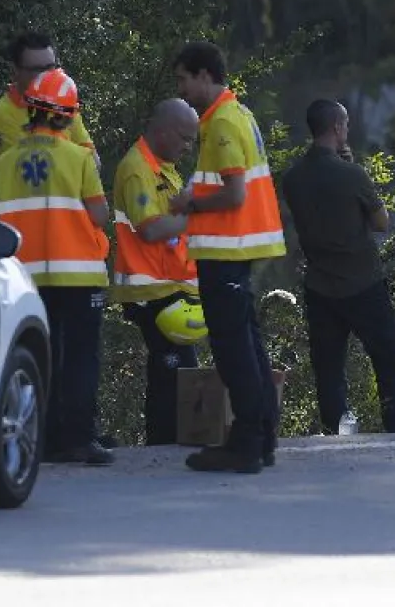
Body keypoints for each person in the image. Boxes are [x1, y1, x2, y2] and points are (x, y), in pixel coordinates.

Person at [171, 42, 286, 473]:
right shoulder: (238, 113)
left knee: (233, 349)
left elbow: (235, 193)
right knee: (248, 344)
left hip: (225, 249)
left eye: (183, 79)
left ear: (204, 76)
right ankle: (262, 436)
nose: (181, 89)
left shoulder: (221, 122)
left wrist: (191, 205)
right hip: (236, 250)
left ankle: (247, 442)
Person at [0, 68, 113, 465]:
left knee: (39, 356)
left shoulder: (7, 160)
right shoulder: (78, 158)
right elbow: (99, 214)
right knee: (80, 357)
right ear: (66, 115)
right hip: (78, 274)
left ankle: (41, 437)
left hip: (25, 277)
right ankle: (78, 437)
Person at [282, 99, 395, 434]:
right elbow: (381, 222)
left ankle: (334, 427)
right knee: (390, 357)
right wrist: (356, 173)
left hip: (319, 284)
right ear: (338, 127)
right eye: (347, 125)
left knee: (328, 365)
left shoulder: (293, 178)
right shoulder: (352, 174)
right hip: (362, 281)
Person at [112, 98, 202, 445]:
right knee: (174, 371)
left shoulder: (164, 168)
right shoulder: (137, 168)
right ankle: (162, 444)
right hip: (151, 290)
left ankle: (166, 441)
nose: (186, 147)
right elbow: (150, 229)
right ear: (163, 130)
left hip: (170, 287)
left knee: (177, 370)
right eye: (183, 138)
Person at [0, 29, 100, 175]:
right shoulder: (2, 116)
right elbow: (39, 178)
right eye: (38, 70)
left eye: (51, 68)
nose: (47, 77)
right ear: (15, 73)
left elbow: (94, 163)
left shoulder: (62, 103)